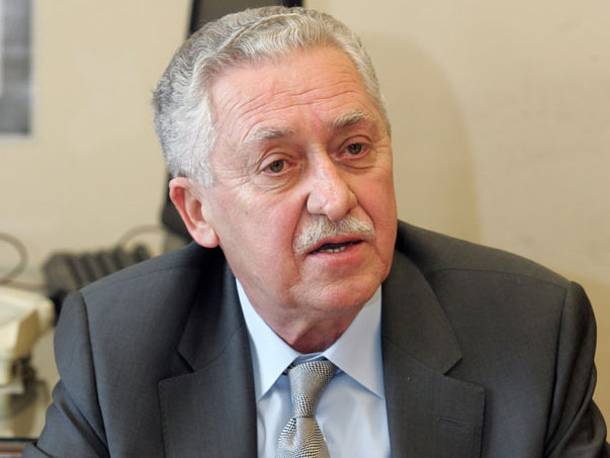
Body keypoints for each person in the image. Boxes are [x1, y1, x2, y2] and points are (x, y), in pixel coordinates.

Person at [25, 6, 608, 458]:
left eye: (354, 149)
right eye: (278, 164)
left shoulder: (531, 332)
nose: (335, 197)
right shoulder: (117, 343)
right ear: (197, 211)